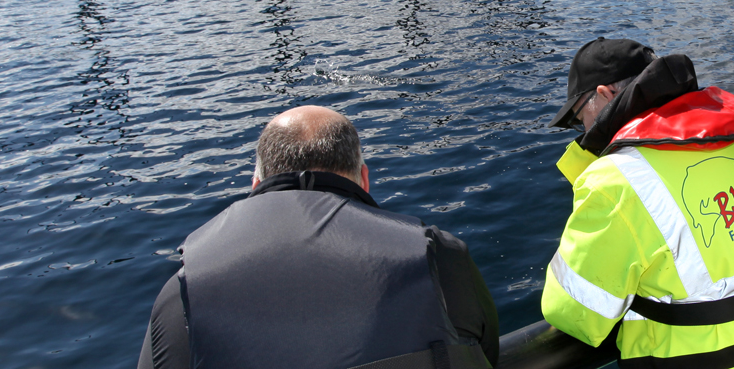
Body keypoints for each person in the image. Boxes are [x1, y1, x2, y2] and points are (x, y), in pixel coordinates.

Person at [138, 105, 500, 369]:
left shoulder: (184, 292)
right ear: (364, 178)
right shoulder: (438, 256)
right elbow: (487, 352)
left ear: (255, 184)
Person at [541, 37, 734, 368]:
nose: (583, 129)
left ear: (605, 95)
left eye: (580, 117)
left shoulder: (618, 181)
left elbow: (575, 312)